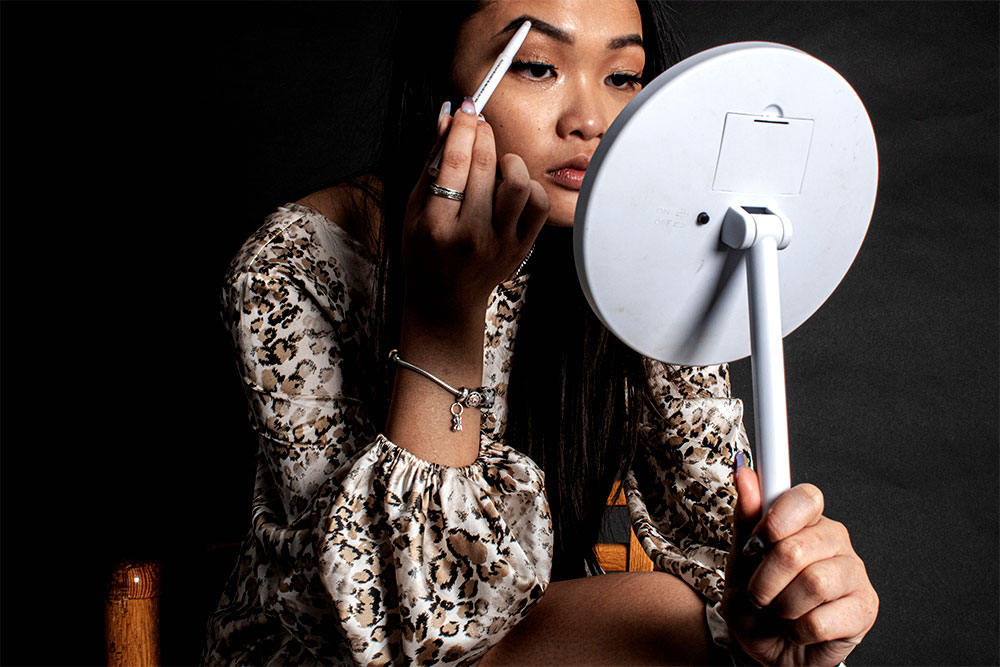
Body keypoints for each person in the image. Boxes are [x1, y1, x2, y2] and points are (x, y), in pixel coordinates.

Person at [204, 1, 879, 664]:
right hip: (327, 650)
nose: (590, 120)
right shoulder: (295, 263)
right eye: (535, 67)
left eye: (621, 77)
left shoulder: (643, 254)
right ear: (446, 83)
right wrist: (448, 316)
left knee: (695, 626)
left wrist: (793, 591)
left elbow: (719, 553)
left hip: (517, 639)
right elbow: (407, 630)